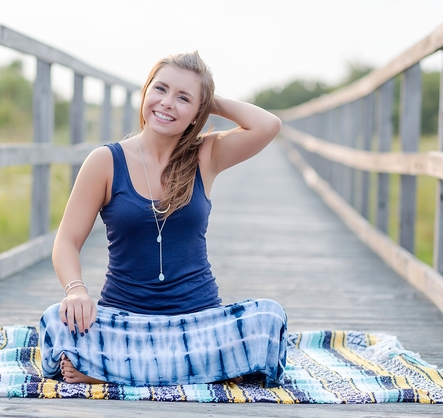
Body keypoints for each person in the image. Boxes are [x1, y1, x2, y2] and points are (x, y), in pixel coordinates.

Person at [40, 51, 287, 387]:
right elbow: (66, 241)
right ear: (145, 93)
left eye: (183, 98)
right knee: (57, 319)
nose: (167, 103)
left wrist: (207, 100)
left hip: (198, 324)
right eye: (160, 89)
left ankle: (109, 371)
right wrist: (76, 291)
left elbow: (268, 125)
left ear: (198, 112)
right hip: (125, 325)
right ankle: (202, 370)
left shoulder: (207, 154)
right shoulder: (105, 161)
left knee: (269, 317)